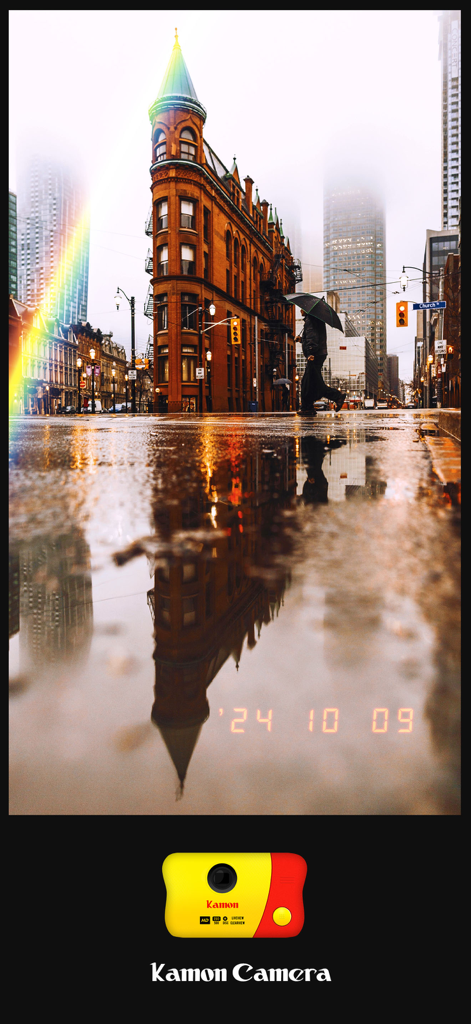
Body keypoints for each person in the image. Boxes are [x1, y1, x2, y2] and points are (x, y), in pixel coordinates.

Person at [298, 311, 346, 414]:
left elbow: (313, 338)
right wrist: (301, 339)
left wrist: (310, 352)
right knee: (311, 382)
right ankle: (308, 407)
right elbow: (313, 337)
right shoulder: (314, 319)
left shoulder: (310, 319)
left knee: (309, 383)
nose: (300, 311)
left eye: (301, 309)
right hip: (317, 353)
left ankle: (337, 396)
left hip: (314, 355)